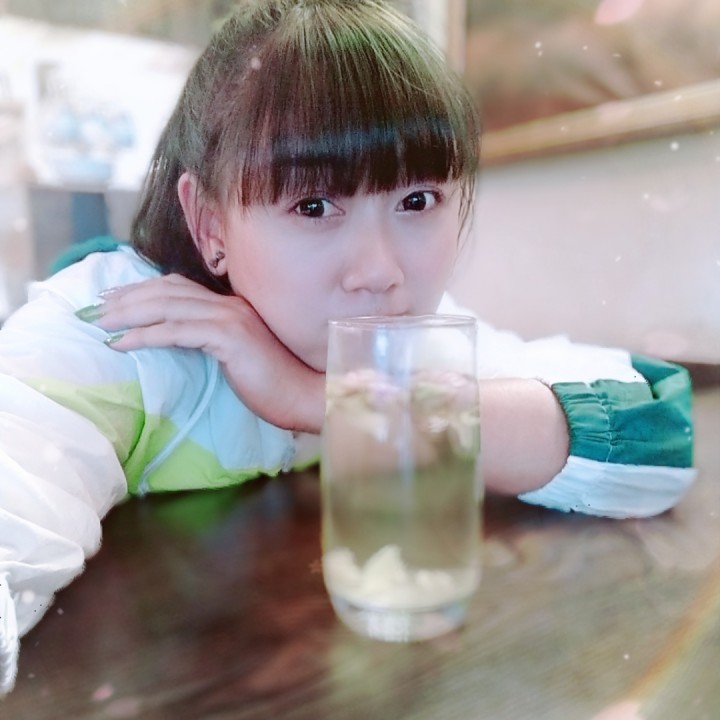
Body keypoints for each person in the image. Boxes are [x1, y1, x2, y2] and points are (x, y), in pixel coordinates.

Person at [0, 0, 694, 695]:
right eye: (313, 206)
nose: (380, 272)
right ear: (210, 224)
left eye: (417, 201)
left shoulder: (414, 342)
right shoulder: (115, 334)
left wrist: (317, 399)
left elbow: (651, 435)